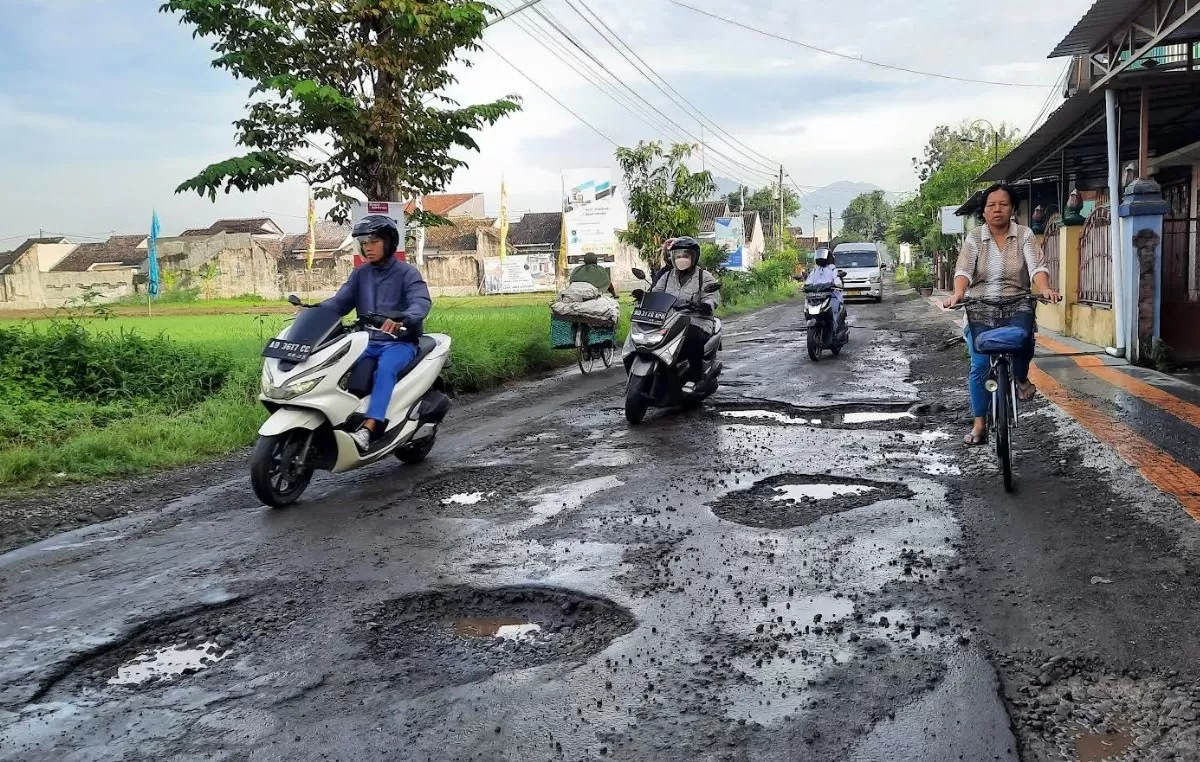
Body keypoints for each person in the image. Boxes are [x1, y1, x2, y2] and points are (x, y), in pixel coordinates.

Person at [944, 183, 1060, 446]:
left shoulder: (1025, 235)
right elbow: (963, 271)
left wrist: (1045, 289)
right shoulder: (974, 238)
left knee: (1023, 342)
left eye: (1003, 204)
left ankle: (1020, 378)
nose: (997, 209)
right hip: (980, 307)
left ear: (1013, 209)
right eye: (991, 205)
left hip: (1017, 302)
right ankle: (979, 425)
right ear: (983, 212)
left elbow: (1036, 266)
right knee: (980, 365)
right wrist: (957, 294)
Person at [323, 214, 432, 451]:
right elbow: (340, 302)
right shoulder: (361, 274)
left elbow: (420, 301)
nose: (367, 247)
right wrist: (314, 312)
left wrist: (402, 317)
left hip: (399, 342)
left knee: (385, 369)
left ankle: (368, 428)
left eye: (373, 241)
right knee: (334, 366)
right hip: (364, 341)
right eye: (364, 243)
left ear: (389, 242)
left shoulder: (407, 273)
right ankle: (340, 420)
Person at [651, 236, 720, 393]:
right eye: (678, 256)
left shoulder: (704, 277)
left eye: (686, 256)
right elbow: (656, 293)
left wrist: (704, 304)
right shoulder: (667, 276)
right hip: (671, 320)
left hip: (697, 320)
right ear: (673, 257)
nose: (682, 259)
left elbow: (712, 298)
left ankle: (696, 378)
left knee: (692, 338)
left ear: (694, 257)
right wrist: (645, 298)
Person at [805, 249, 846, 333]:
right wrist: (805, 285)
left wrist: (837, 283)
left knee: (834, 310)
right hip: (816, 295)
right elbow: (809, 280)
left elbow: (836, 278)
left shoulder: (832, 269)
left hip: (831, 294)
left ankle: (835, 329)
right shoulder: (815, 270)